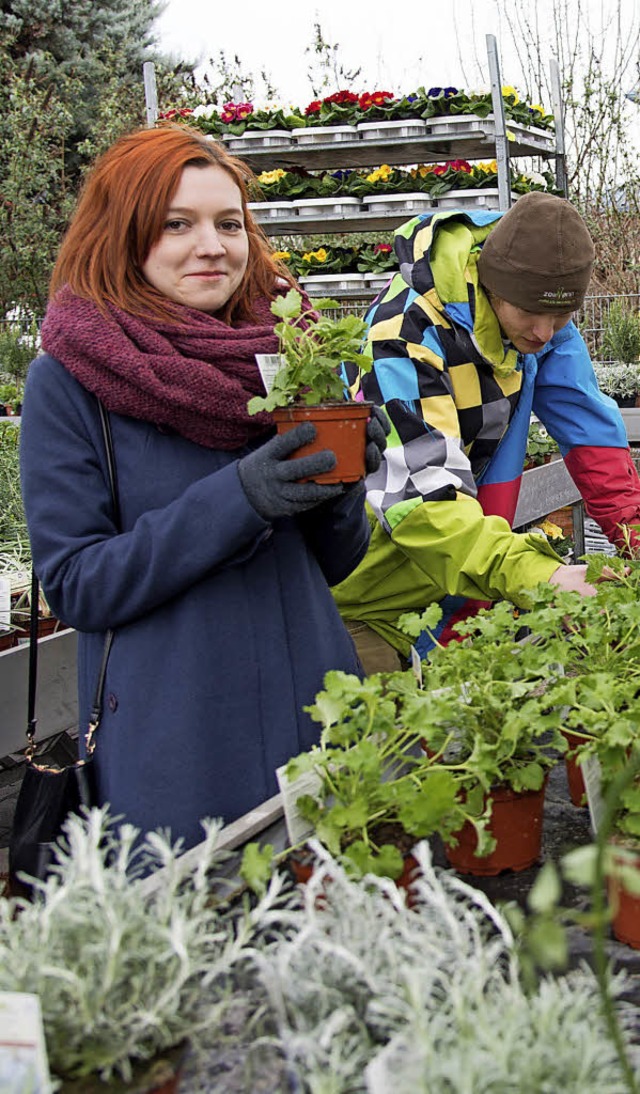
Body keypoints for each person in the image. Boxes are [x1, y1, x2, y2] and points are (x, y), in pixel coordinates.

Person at [19, 124, 388, 851]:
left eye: (229, 222)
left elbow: (336, 561)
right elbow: (77, 583)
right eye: (176, 225)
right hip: (179, 749)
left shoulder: (287, 354)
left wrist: (344, 486)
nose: (212, 245)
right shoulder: (71, 382)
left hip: (319, 719)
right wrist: (239, 498)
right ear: (124, 236)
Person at [332, 191, 640, 669]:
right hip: (374, 585)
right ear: (491, 285)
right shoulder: (400, 334)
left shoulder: (540, 309)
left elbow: (589, 433)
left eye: (561, 318)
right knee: (398, 731)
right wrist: (541, 575)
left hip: (467, 556)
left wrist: (634, 534)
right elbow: (424, 502)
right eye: (530, 314)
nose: (543, 332)